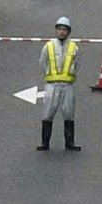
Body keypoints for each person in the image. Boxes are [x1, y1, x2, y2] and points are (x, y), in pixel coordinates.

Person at [36, 15, 79, 152]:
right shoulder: (48, 46)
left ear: (69, 32)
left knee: (69, 113)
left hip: (67, 85)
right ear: (56, 30)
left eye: (64, 30)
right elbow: (43, 63)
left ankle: (69, 142)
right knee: (48, 113)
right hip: (52, 85)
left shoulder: (74, 47)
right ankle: (45, 142)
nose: (61, 32)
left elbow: (77, 65)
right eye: (59, 29)